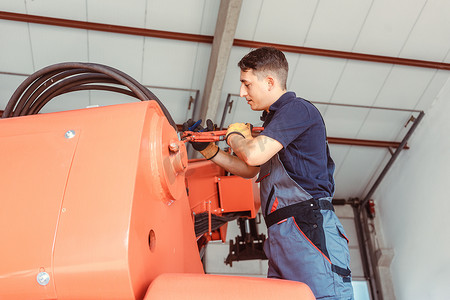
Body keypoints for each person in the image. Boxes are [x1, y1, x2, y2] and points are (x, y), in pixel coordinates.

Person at [184, 47, 354, 299]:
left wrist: (234, 137)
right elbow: (248, 169)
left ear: (270, 82)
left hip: (309, 229)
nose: (242, 93)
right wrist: (209, 150)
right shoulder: (274, 125)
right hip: (279, 236)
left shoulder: (298, 110)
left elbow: (252, 155)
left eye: (246, 84)